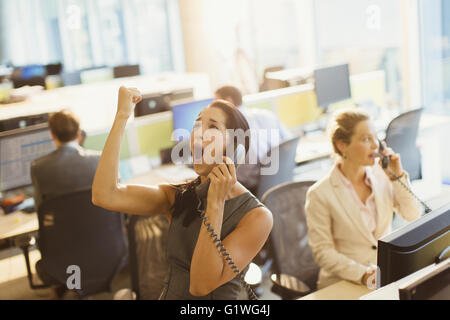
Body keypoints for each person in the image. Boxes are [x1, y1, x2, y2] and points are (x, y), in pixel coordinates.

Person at [92, 86, 273, 300]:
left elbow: (200, 285)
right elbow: (105, 194)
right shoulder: (181, 195)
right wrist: (122, 116)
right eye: (197, 125)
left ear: (235, 148)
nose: (199, 133)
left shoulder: (257, 217)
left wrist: (215, 203)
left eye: (212, 127)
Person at [304, 108, 421, 289]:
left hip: (386, 276)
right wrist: (363, 274)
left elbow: (413, 214)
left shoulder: (383, 176)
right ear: (342, 145)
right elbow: (323, 252)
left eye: (376, 137)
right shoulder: (319, 193)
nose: (375, 146)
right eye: (366, 139)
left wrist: (397, 177)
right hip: (344, 281)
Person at [30, 109, 101, 299]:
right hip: (105, 249)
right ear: (79, 134)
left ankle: (66, 288)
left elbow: (40, 210)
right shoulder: (100, 159)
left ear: (52, 134)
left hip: (62, 256)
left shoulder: (39, 167)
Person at [215, 85, 292, 194]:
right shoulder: (267, 115)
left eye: (216, 103)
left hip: (253, 189)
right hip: (279, 183)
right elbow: (289, 140)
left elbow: (246, 176)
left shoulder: (230, 128)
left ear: (228, 101)